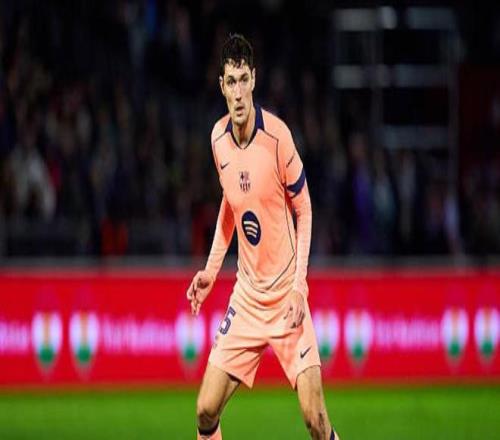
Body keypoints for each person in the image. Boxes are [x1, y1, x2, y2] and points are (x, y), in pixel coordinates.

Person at [186, 34, 340, 440]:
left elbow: (304, 209)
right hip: (248, 300)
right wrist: (210, 270)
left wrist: (300, 287)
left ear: (253, 79)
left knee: (316, 420)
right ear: (221, 86)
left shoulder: (277, 137)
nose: (238, 92)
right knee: (205, 411)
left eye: (243, 80)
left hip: (287, 296)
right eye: (230, 82)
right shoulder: (217, 139)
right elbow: (230, 204)